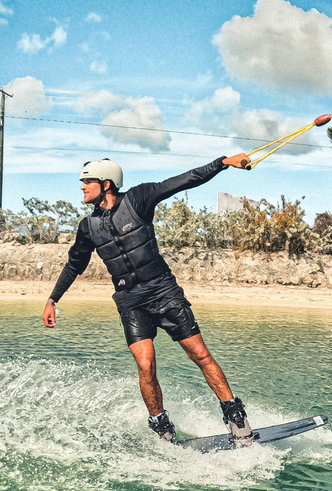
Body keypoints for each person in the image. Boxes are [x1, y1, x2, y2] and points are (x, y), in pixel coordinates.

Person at [42, 154, 255, 443]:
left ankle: (234, 414)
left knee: (200, 354)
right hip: (130, 301)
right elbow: (74, 265)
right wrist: (53, 300)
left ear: (106, 184)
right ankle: (161, 426)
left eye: (87, 182)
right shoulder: (88, 227)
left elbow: (183, 181)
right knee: (145, 364)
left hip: (163, 291)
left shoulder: (138, 199)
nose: (82, 187)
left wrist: (223, 162)